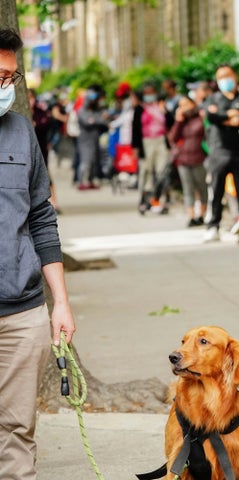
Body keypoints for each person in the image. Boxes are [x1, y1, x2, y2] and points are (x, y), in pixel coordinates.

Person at [0, 28, 76, 479]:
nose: (4, 87)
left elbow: (42, 220)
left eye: (10, 78)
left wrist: (60, 303)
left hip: (22, 312)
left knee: (17, 427)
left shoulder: (21, 131)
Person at [202, 64, 239, 242]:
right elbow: (212, 117)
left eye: (228, 76)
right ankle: (213, 226)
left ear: (235, 77)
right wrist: (229, 115)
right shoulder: (213, 99)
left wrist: (224, 117)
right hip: (219, 150)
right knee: (216, 190)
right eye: (221, 77)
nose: (225, 80)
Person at [169, 95, 208, 227]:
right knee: (188, 189)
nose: (184, 107)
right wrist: (178, 121)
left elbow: (208, 135)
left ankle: (201, 215)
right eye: (181, 105)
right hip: (183, 159)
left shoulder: (201, 117)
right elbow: (173, 138)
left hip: (199, 158)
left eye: (186, 104)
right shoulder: (182, 121)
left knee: (202, 188)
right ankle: (191, 216)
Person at [136, 82, 168, 214]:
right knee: (146, 171)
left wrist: (164, 111)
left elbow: (170, 123)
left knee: (162, 171)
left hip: (161, 142)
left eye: (152, 93)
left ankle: (159, 200)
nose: (149, 96)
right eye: (147, 94)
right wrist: (136, 148)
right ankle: (144, 200)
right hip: (146, 142)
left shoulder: (161, 107)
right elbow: (135, 129)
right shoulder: (140, 109)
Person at [76, 84, 109, 190]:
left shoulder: (95, 111)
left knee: (93, 161)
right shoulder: (81, 111)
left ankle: (90, 180)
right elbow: (88, 122)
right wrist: (97, 120)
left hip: (94, 138)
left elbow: (102, 121)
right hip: (85, 140)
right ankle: (81, 181)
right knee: (85, 161)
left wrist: (96, 119)